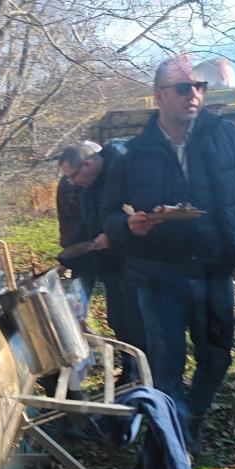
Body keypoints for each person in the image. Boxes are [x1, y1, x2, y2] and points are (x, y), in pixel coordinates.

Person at [101, 55, 235, 454]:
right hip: (158, 273)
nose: (194, 95)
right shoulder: (132, 153)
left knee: (217, 357)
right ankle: (178, 438)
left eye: (199, 87)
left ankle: (191, 417)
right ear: (159, 96)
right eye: (183, 88)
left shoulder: (227, 137)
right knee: (168, 364)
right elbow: (108, 212)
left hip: (216, 267)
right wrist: (128, 226)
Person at [57, 140, 144, 352]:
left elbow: (139, 216)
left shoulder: (124, 171)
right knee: (118, 321)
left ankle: (143, 374)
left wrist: (111, 236)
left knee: (136, 323)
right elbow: (86, 227)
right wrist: (65, 260)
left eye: (73, 176)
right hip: (112, 266)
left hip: (136, 263)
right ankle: (128, 371)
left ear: (87, 164)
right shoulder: (88, 190)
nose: (73, 183)